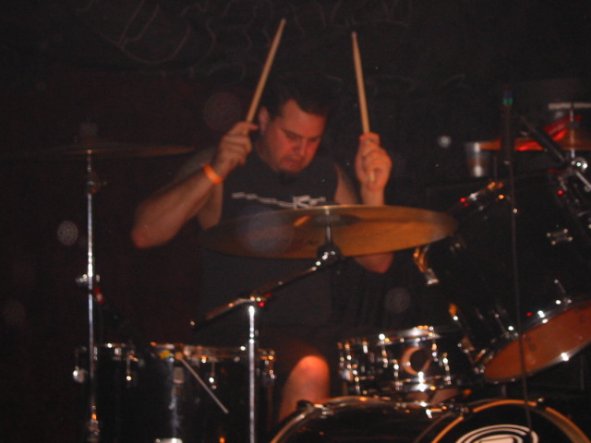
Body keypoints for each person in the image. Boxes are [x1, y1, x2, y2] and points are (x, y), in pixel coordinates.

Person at [131, 71, 393, 423]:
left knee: (404, 366)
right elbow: (144, 233)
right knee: (311, 369)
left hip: (316, 332)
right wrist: (216, 169)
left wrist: (373, 191)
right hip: (239, 335)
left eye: (312, 140)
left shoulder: (327, 175)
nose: (301, 151)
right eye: (291, 137)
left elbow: (377, 262)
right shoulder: (226, 167)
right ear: (264, 119)